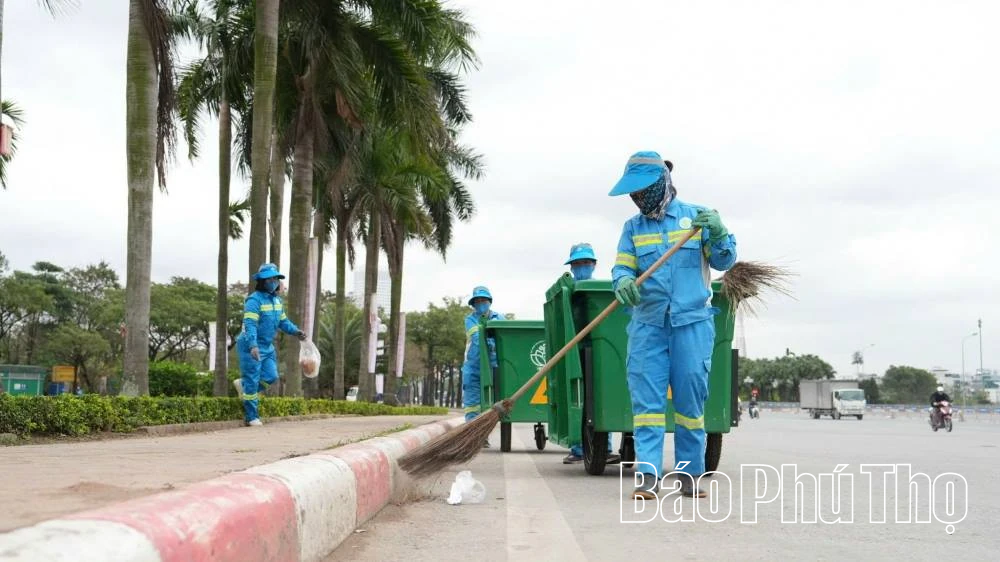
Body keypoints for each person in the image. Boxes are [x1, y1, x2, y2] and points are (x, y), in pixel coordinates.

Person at [609, 152, 737, 499]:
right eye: (632, 194)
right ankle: (647, 478)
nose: (638, 198)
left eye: (642, 190)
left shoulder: (698, 218)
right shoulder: (633, 228)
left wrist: (720, 233)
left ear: (661, 183)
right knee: (647, 408)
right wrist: (621, 282)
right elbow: (622, 268)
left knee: (690, 406)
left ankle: (689, 476)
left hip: (692, 325)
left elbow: (724, 261)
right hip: (648, 326)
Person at [561, 242, 621, 465]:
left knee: (601, 397)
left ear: (594, 265)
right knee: (579, 400)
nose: (581, 267)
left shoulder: (602, 291)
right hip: (574, 353)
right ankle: (578, 448)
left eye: (586, 263)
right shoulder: (567, 291)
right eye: (577, 263)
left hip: (599, 353)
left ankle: (604, 448)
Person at [235, 263, 306, 426]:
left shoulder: (277, 301)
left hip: (267, 347)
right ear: (262, 281)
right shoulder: (254, 300)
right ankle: (251, 417)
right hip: (250, 345)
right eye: (270, 279)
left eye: (275, 278)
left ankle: (244, 387)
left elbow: (283, 321)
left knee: (271, 376)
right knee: (253, 380)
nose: (274, 281)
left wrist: (296, 331)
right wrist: (252, 345)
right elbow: (250, 324)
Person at [462, 286, 503, 446]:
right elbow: (478, 337)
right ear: (473, 304)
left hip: (495, 367)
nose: (480, 303)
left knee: (491, 402)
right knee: (472, 405)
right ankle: (475, 436)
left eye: (483, 300)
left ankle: (483, 433)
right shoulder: (470, 319)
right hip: (474, 368)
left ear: (489, 301)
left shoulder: (500, 318)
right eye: (477, 301)